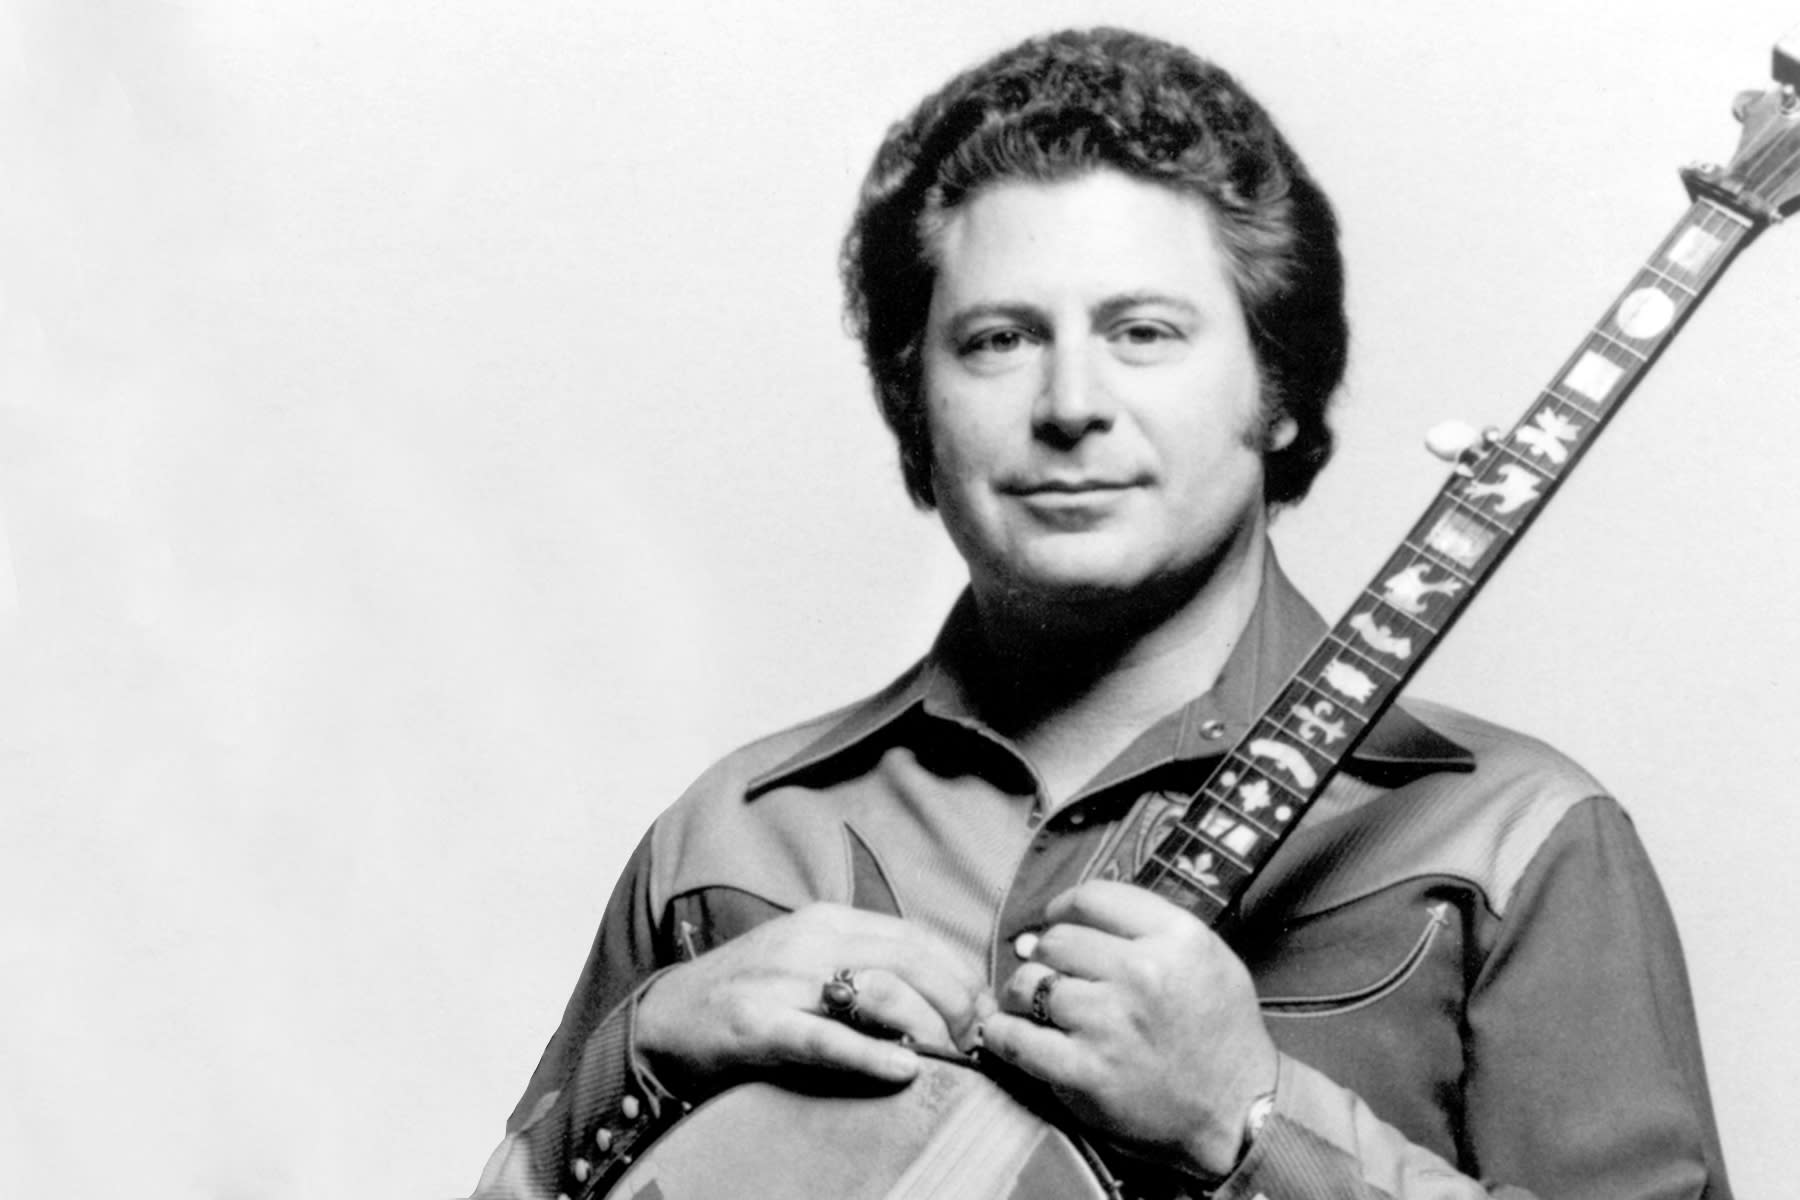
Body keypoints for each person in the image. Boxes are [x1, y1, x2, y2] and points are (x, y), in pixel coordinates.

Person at [470, 27, 1731, 1200]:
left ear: (1278, 388)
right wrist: (644, 1048)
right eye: (999, 340)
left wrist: (1250, 1121)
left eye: (1143, 331)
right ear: (917, 403)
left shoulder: (1511, 842)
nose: (1070, 403)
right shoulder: (735, 844)